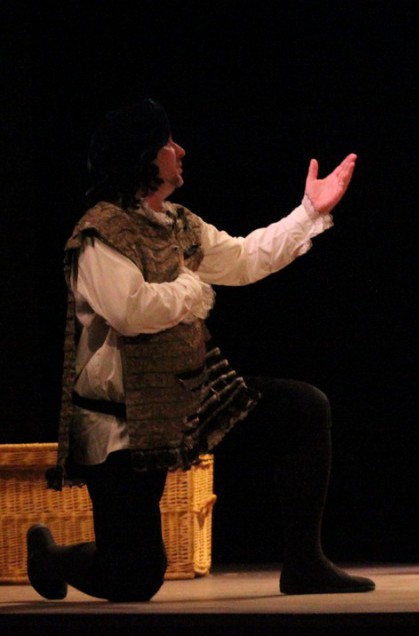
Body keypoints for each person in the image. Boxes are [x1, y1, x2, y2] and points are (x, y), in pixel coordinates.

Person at [28, 98, 374, 602]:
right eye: (168, 142)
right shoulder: (100, 233)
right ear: (144, 157)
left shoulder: (179, 225)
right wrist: (192, 289)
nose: (180, 150)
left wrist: (309, 213)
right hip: (123, 423)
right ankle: (51, 558)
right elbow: (130, 310)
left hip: (185, 396)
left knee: (301, 409)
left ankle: (305, 563)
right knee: (134, 577)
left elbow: (244, 258)